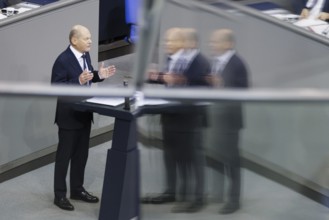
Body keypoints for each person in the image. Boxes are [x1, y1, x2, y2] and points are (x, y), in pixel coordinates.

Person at [145, 27, 211, 213]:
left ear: (183, 43)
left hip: (190, 120)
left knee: (192, 160)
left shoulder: (200, 62)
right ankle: (171, 191)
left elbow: (201, 90)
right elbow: (169, 79)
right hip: (171, 117)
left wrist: (178, 83)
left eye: (171, 41)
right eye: (166, 41)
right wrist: (155, 77)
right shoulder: (172, 59)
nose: (167, 44)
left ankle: (197, 198)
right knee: (171, 157)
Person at [51, 24, 116, 211]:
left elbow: (87, 76)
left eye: (90, 38)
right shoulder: (62, 60)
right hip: (68, 116)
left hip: (84, 113)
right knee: (64, 157)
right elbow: (56, 87)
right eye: (86, 38)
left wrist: (98, 76)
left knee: (81, 155)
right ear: (74, 40)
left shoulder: (85, 55)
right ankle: (60, 195)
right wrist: (77, 81)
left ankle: (77, 190)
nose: (90, 41)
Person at [207, 28, 249, 214]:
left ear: (228, 43)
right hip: (215, 118)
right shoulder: (216, 62)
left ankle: (234, 199)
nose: (212, 45)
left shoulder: (237, 64)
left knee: (232, 161)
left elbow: (243, 92)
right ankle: (217, 193)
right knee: (215, 157)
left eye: (216, 41)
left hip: (230, 121)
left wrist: (221, 85)